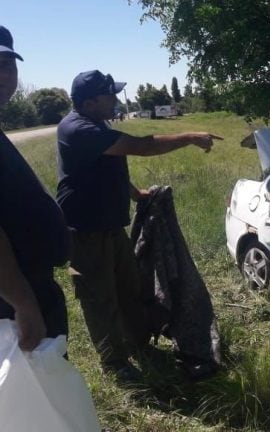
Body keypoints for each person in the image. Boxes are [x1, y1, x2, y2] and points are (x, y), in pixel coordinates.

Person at [56, 69, 221, 380]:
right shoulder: (78, 129)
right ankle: (114, 364)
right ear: (90, 102)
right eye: (110, 95)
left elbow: (108, 167)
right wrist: (189, 137)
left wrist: (135, 194)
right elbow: (142, 146)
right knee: (99, 297)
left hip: (111, 225)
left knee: (128, 288)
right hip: (85, 231)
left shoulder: (96, 124)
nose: (116, 100)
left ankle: (139, 345)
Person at [0, 25, 71, 350]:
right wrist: (23, 302)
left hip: (27, 288)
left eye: (7, 64)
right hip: (12, 301)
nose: (3, 75)